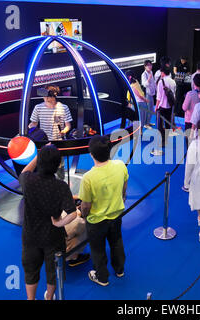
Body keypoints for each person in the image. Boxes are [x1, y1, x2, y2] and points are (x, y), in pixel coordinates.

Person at [20, 144, 78, 300]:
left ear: (40, 162)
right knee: (53, 272)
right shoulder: (61, 187)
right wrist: (59, 223)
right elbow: (72, 213)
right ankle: (49, 297)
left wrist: (39, 155)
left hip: (30, 236)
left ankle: (30, 299)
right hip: (53, 237)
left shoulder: (28, 181)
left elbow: (25, 171)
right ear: (58, 164)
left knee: (31, 271)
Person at [79, 135, 128, 286]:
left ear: (91, 154)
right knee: (117, 242)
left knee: (98, 249)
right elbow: (124, 187)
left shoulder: (88, 178)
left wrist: (83, 215)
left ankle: (102, 277)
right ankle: (119, 270)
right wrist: (121, 198)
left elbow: (85, 206)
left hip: (96, 222)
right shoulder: (120, 165)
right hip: (116, 215)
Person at [29, 85, 72, 180]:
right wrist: (29, 131)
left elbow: (68, 125)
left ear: (54, 95)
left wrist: (64, 131)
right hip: (44, 143)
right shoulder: (38, 108)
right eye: (44, 96)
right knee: (44, 167)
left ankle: (61, 183)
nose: (45, 98)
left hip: (59, 143)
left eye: (48, 96)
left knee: (60, 166)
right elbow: (33, 124)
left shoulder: (64, 108)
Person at [152, 66, 176, 156]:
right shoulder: (173, 82)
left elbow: (158, 97)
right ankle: (165, 139)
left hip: (161, 107)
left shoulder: (160, 82)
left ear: (162, 73)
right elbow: (174, 95)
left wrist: (156, 107)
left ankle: (163, 140)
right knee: (167, 123)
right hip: (170, 106)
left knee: (159, 125)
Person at [141, 60, 156, 129]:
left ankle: (148, 122)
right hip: (147, 94)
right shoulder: (144, 74)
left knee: (151, 109)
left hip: (152, 93)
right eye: (148, 65)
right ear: (145, 66)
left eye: (151, 65)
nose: (150, 66)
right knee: (148, 109)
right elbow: (144, 84)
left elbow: (153, 83)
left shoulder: (151, 72)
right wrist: (149, 79)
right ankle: (145, 124)